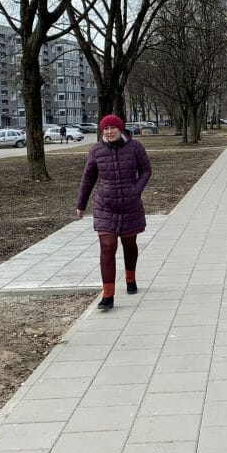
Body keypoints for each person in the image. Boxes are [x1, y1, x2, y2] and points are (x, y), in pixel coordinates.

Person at [76, 114, 152, 310]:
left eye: (112, 128)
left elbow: (146, 170)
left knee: (129, 243)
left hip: (129, 204)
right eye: (105, 128)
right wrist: (81, 204)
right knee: (108, 246)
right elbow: (88, 178)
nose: (109, 132)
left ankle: (130, 278)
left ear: (120, 129)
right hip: (105, 205)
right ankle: (108, 295)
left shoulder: (135, 147)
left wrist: (135, 190)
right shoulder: (96, 150)